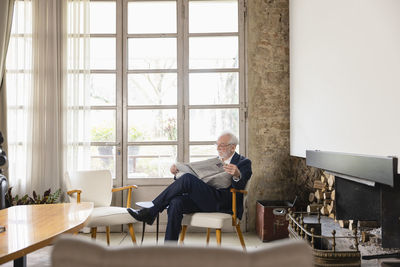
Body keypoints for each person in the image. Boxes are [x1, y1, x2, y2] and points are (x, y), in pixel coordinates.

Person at [127, 131, 252, 241]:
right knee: (176, 202)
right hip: (206, 199)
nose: (218, 148)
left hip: (225, 202)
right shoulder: (215, 162)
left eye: (222, 145)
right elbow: (200, 180)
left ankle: (150, 211)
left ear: (233, 147)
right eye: (217, 145)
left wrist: (236, 174)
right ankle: (169, 249)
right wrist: (177, 173)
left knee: (187, 179)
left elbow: (240, 187)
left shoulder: (243, 162)